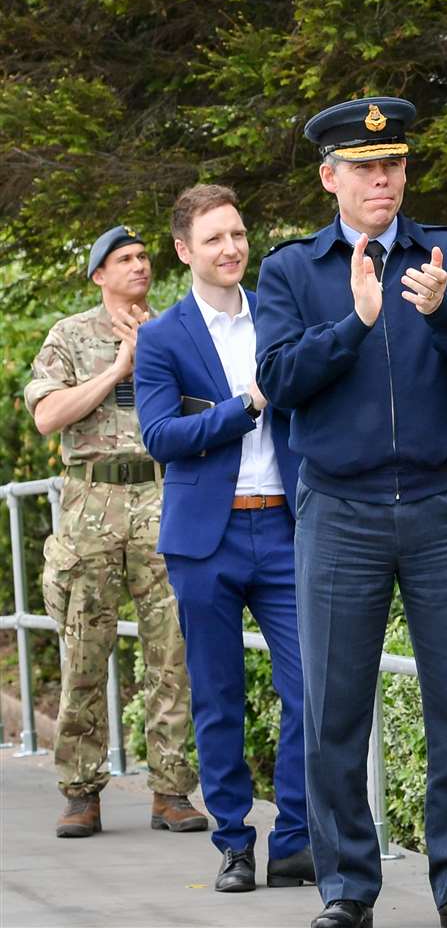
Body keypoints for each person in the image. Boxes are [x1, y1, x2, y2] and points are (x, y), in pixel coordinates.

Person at [254, 97, 447, 928]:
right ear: (330, 176)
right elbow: (279, 379)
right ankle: (346, 889)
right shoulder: (291, 272)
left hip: (443, 503)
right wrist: (356, 323)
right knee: (335, 708)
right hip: (340, 510)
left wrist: (443, 308)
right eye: (366, 168)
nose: (384, 180)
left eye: (395, 165)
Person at [133, 184, 313, 893]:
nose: (232, 248)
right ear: (185, 250)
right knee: (217, 697)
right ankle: (234, 842)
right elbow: (161, 436)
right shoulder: (162, 337)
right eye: (214, 239)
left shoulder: (278, 318)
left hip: (288, 525)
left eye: (237, 234)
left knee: (311, 693)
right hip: (204, 538)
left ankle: (295, 839)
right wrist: (246, 408)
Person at [24, 226, 207, 841]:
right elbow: (48, 415)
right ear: (99, 274)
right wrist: (119, 370)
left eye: (142, 257)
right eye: (123, 259)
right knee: (83, 651)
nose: (138, 266)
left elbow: (204, 409)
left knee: (172, 653)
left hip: (162, 496)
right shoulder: (70, 336)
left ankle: (172, 791)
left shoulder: (177, 330)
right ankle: (80, 793)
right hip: (91, 502)